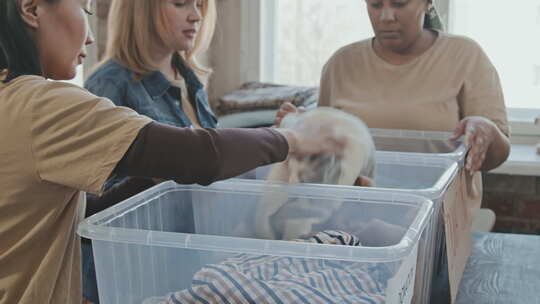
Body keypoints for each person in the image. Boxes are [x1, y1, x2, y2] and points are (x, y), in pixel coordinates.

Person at [0, 0, 343, 303]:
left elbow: (71, 212)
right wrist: (290, 139)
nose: (90, 36)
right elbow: (203, 155)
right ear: (31, 9)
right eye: (85, 9)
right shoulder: (42, 105)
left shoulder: (15, 102)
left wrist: (153, 177)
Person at [81, 1, 219, 301]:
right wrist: (154, 177)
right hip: (132, 274)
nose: (196, 15)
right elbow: (87, 202)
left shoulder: (191, 80)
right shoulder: (108, 84)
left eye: (200, 4)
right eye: (181, 3)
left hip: (186, 264)